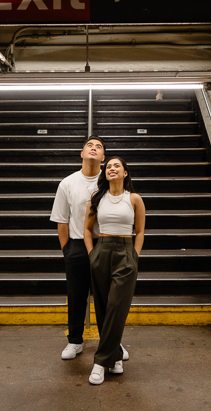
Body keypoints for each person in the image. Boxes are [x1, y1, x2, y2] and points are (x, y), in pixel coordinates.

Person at [51, 136, 129, 362]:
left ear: (103, 157)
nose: (94, 149)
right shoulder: (68, 183)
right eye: (90, 146)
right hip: (76, 244)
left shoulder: (109, 179)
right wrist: (67, 250)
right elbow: (61, 220)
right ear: (82, 153)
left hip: (105, 243)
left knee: (108, 299)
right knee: (76, 296)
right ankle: (75, 341)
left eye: (99, 147)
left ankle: (111, 342)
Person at [83, 156, 145, 385]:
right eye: (108, 166)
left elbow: (140, 231)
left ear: (125, 173)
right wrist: (92, 255)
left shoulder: (134, 199)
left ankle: (100, 362)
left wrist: (134, 257)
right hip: (102, 250)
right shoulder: (97, 198)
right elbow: (87, 229)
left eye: (116, 165)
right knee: (102, 306)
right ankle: (116, 356)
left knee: (117, 306)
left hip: (125, 252)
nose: (111, 168)